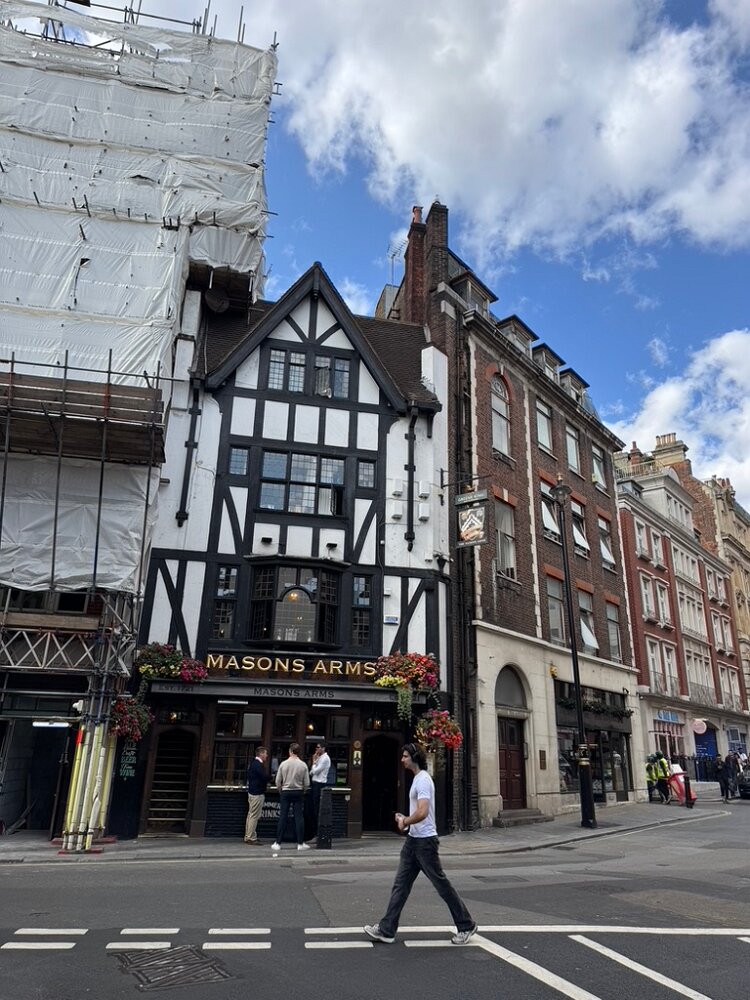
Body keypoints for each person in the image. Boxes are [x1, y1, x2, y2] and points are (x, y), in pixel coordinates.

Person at [364, 742, 477, 946]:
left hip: (425, 842)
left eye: (405, 756)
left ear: (415, 758)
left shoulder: (423, 780)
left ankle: (466, 925)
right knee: (401, 885)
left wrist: (405, 821)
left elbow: (423, 812)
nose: (402, 759)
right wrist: (406, 819)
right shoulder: (417, 779)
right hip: (413, 841)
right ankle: (387, 929)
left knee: (441, 885)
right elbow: (420, 810)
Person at [272, 743, 310, 852]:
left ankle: (278, 843)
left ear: (290, 751)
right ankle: (300, 843)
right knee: (299, 817)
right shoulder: (303, 765)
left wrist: (281, 790)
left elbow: (277, 781)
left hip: (286, 791)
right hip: (298, 792)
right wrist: (303, 790)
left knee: (283, 817)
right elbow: (307, 783)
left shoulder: (283, 764)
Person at [244, 745, 269, 845]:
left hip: (252, 792)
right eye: (265, 753)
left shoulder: (254, 763)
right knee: (254, 816)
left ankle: (249, 835)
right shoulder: (258, 765)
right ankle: (251, 837)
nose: (267, 755)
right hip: (257, 793)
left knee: (251, 815)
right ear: (261, 754)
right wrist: (271, 778)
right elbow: (264, 777)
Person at [309, 740, 332, 836]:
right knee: (313, 808)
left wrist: (314, 762)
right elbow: (311, 772)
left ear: (323, 748)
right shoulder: (320, 758)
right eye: (316, 747)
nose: (316, 749)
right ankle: (313, 833)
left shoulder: (325, 758)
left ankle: (317, 834)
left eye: (318, 747)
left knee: (317, 809)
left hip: (319, 785)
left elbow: (315, 771)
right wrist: (314, 763)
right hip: (315, 784)